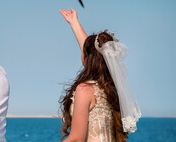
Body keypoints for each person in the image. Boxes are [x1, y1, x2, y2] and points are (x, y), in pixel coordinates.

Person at [59, 8, 141, 142]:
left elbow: (76, 139)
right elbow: (95, 51)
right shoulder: (112, 87)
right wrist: (74, 22)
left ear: (87, 59)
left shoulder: (84, 90)